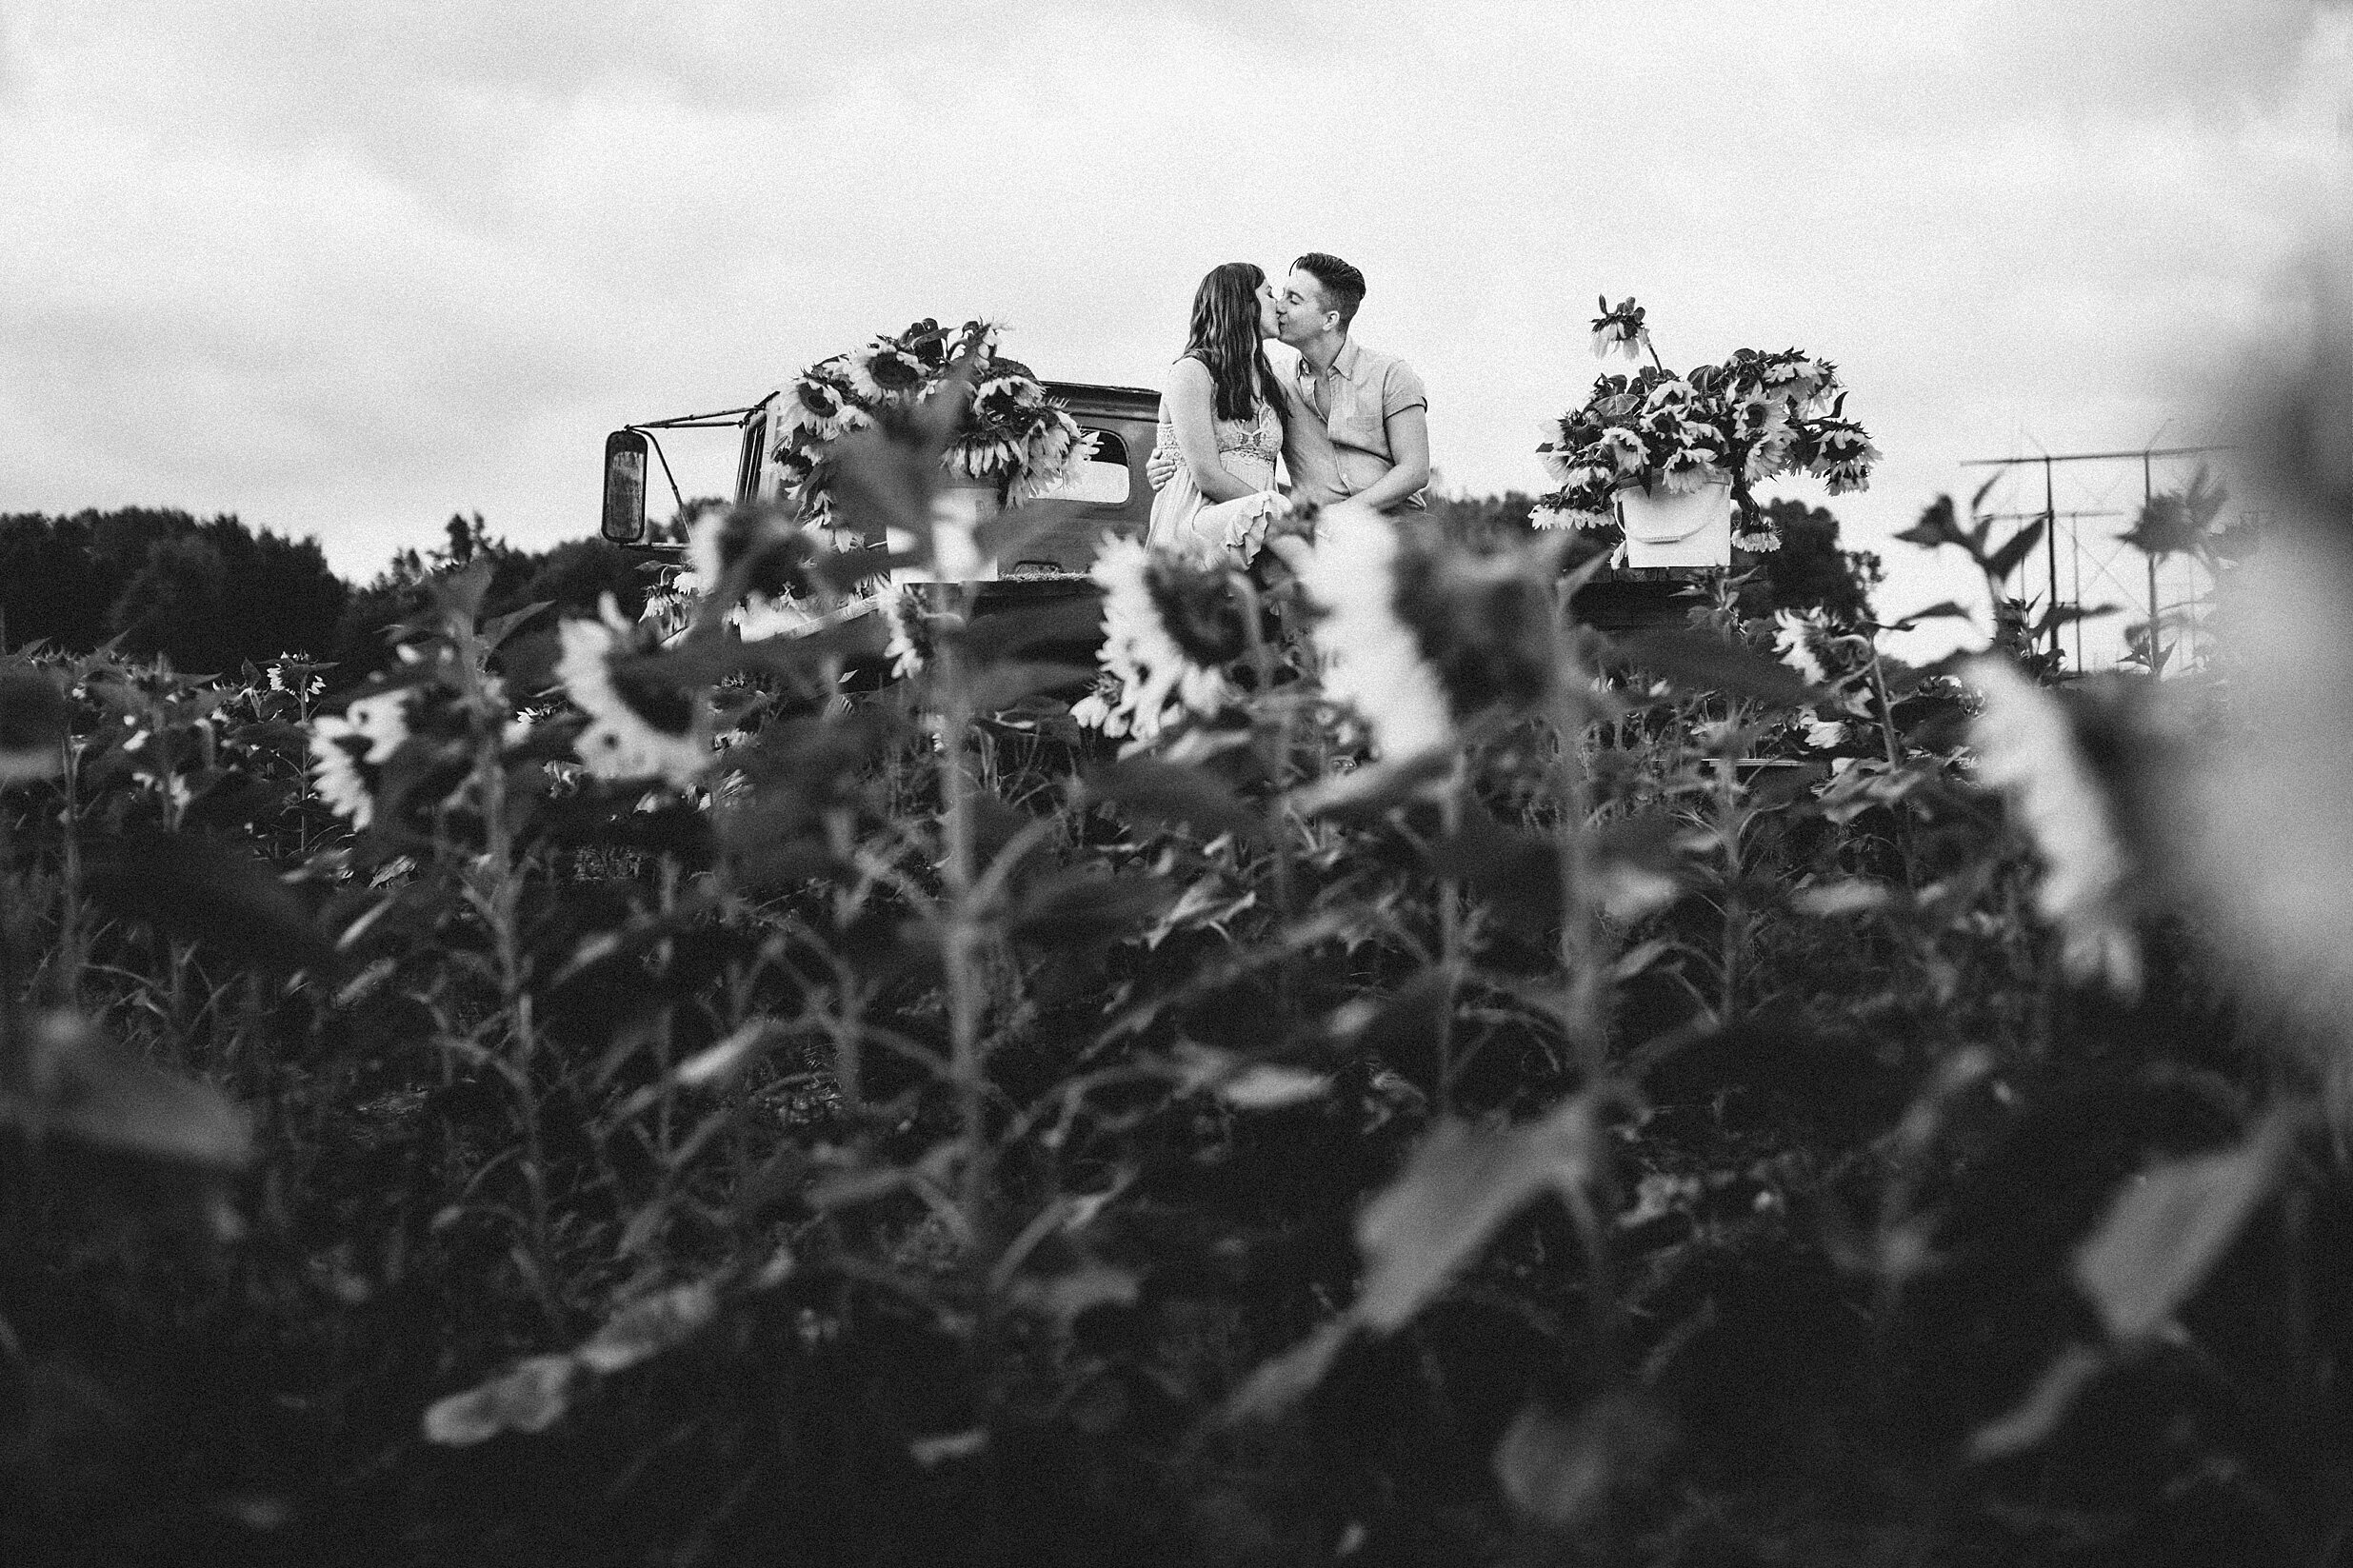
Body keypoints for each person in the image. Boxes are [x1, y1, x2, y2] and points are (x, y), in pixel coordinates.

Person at [1148, 251, 1429, 517]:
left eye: (1293, 300)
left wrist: (1342, 516)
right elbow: (1223, 437)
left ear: (1329, 320)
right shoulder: (1273, 382)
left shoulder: (1390, 374)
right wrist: (1169, 460)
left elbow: (1415, 470)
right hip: (1315, 531)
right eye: (1279, 294)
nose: (1278, 306)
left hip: (1394, 521)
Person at [1146, 262, 1293, 564]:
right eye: (1269, 294)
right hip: (1197, 517)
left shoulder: (1271, 382)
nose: (1278, 305)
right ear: (1244, 304)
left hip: (1253, 525)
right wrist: (1281, 514)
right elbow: (1208, 477)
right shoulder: (1192, 371)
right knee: (1274, 508)